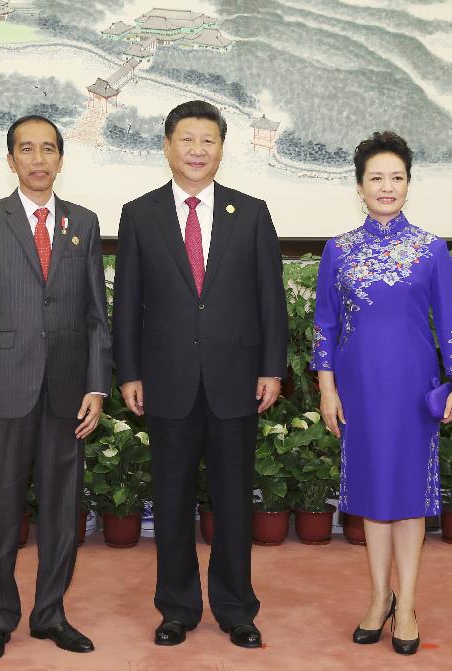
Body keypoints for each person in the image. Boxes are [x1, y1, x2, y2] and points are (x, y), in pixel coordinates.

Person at [113, 100, 288, 649]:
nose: (196, 150)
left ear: (220, 148)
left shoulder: (251, 212)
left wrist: (272, 369)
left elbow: (271, 302)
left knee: (235, 501)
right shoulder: (139, 214)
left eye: (207, 140)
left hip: (237, 379)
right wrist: (129, 372)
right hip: (167, 379)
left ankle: (237, 608)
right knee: (170, 501)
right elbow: (128, 304)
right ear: (167, 146)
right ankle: (178, 608)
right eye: (186, 139)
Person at [0, 115, 111, 662]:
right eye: (28, 149)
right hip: (2, 391)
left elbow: (96, 315)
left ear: (61, 158)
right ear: (11, 159)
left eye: (49, 149)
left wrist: (97, 385)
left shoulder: (83, 223)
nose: (39, 159)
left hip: (68, 393)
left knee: (62, 509)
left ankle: (50, 615)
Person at [311, 131, 452, 655]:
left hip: (412, 389)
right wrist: (326, 390)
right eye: (376, 178)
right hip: (358, 392)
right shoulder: (338, 250)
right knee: (372, 499)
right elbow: (325, 328)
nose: (386, 187)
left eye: (396, 178)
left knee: (408, 501)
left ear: (408, 184)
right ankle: (379, 598)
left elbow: (450, 321)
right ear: (359, 186)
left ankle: (408, 605)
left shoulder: (431, 249)